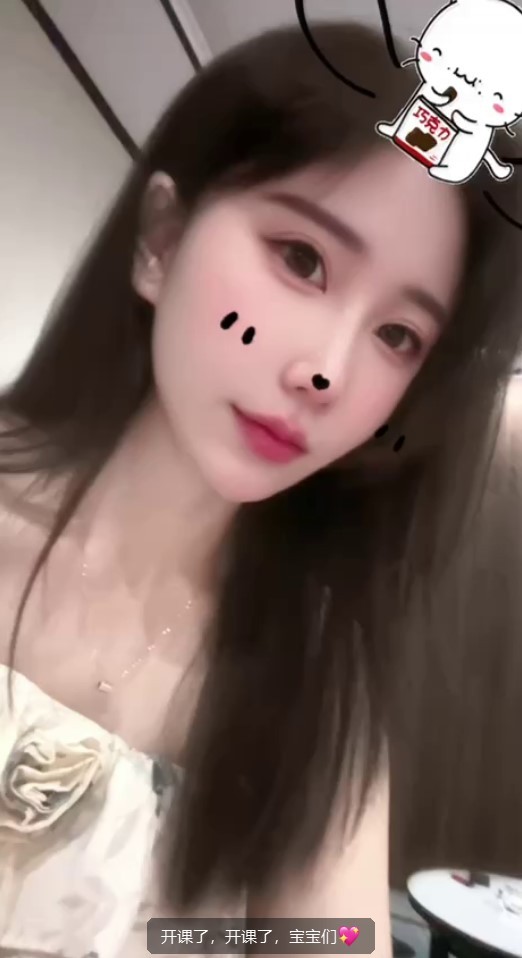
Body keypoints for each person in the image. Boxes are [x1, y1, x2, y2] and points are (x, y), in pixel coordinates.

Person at [0, 19, 521, 958]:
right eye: (302, 259)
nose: (326, 371)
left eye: (398, 336)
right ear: (162, 238)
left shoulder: (315, 688)